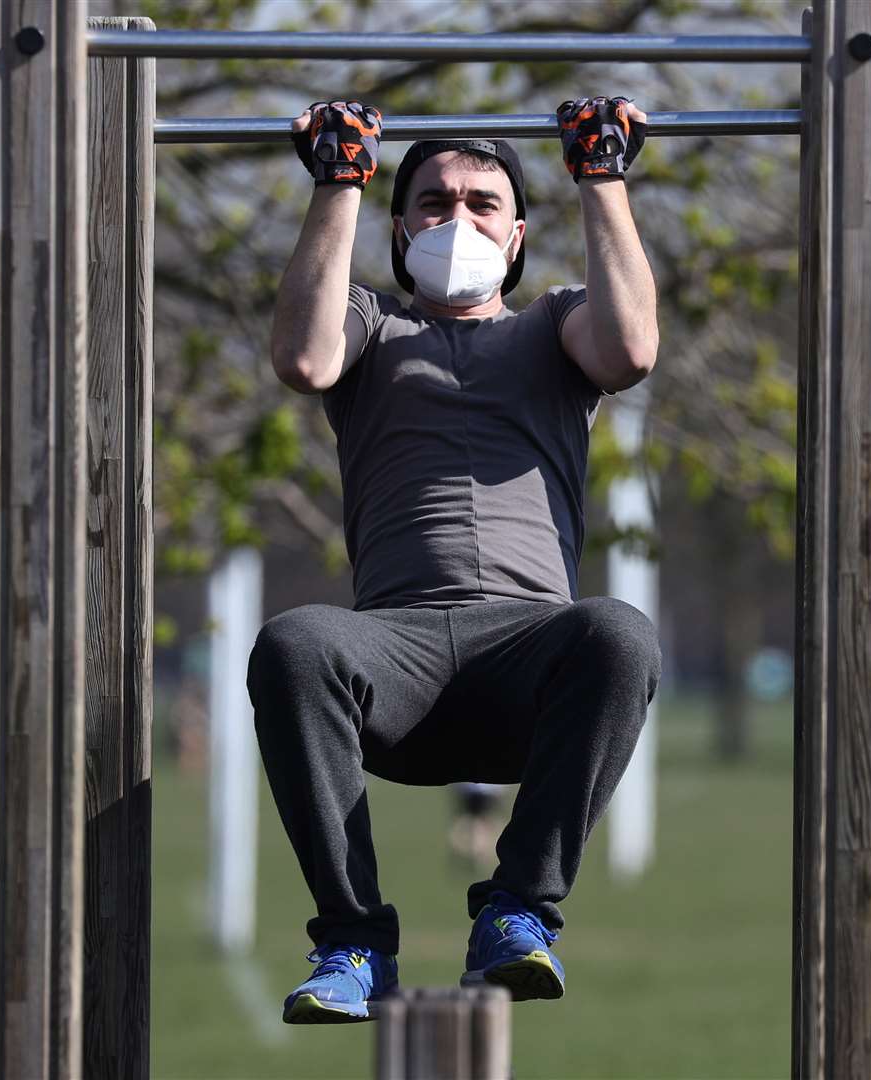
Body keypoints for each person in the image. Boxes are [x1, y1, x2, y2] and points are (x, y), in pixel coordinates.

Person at [250, 96, 662, 1025]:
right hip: (394, 660)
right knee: (298, 641)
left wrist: (602, 177)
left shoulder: (554, 324)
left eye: (482, 203)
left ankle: (518, 912)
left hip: (526, 662)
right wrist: (335, 180)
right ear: (398, 228)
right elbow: (303, 359)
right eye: (433, 202)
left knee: (618, 632)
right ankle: (353, 940)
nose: (457, 218)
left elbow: (631, 347)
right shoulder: (368, 323)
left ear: (516, 235)